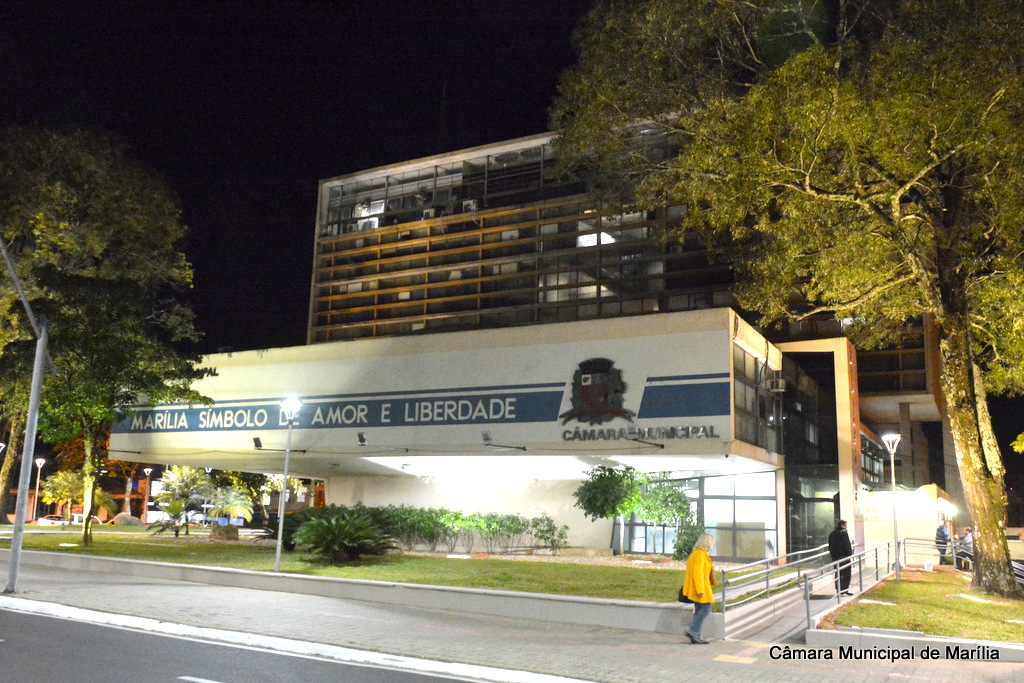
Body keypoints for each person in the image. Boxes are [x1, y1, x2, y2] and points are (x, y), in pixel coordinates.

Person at [681, 532, 717, 644]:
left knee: (699, 611)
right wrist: (700, 590)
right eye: (711, 543)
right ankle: (693, 631)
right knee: (706, 608)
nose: (712, 546)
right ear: (707, 543)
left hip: (697, 587)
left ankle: (697, 637)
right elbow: (698, 574)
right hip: (700, 588)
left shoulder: (698, 554)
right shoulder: (700, 555)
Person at [828, 519, 854, 595]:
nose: (846, 527)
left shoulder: (832, 534)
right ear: (842, 525)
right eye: (846, 525)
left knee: (838, 573)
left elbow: (830, 546)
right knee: (846, 573)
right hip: (844, 557)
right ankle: (844, 589)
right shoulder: (844, 533)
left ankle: (839, 590)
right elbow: (846, 544)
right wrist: (849, 553)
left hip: (836, 557)